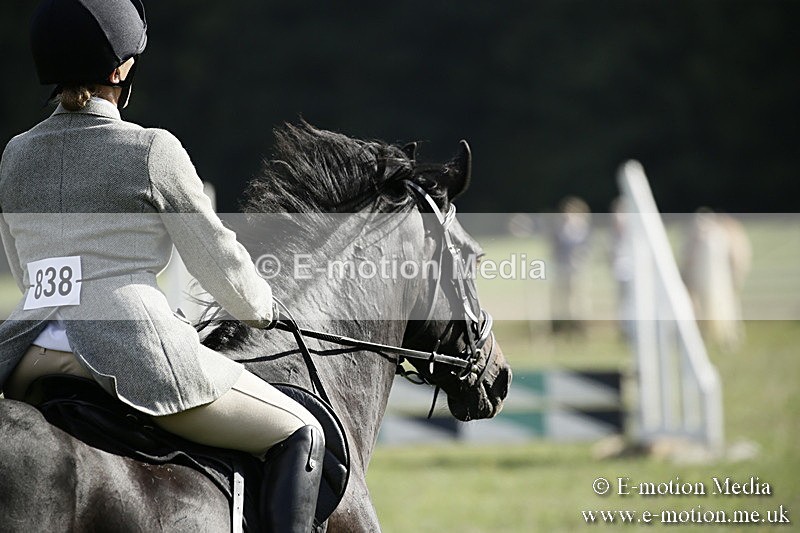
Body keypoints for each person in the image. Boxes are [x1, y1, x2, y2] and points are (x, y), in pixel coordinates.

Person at [0, 1, 323, 531]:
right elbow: (216, 257)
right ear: (120, 71)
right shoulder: (152, 149)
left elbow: (24, 268)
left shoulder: (14, 154)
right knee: (300, 433)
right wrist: (264, 310)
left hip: (27, 354)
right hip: (127, 348)